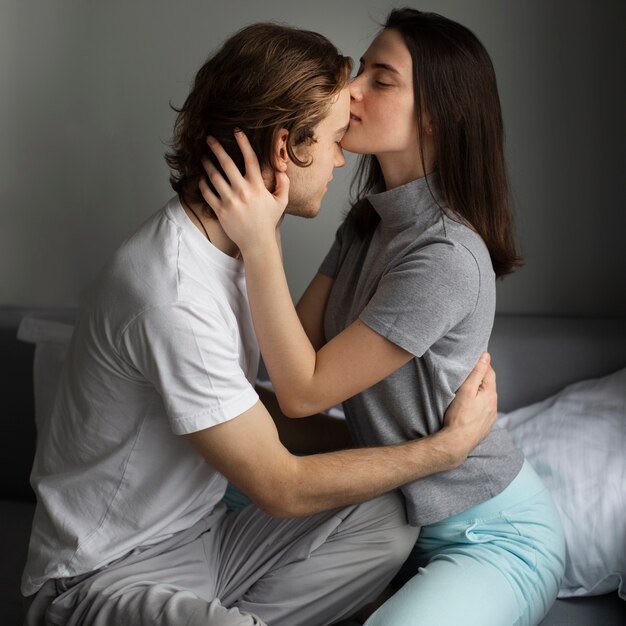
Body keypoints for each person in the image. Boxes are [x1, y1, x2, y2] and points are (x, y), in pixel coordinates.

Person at [21, 22, 499, 626]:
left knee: (387, 515)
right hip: (103, 574)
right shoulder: (172, 293)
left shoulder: (237, 246)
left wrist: (385, 458)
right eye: (330, 140)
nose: (341, 155)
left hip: (204, 539)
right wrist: (444, 450)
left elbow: (251, 412)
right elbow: (281, 485)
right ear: (282, 151)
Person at [200, 8, 566, 626]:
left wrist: (262, 241)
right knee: (216, 480)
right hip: (386, 515)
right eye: (360, 69)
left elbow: (302, 390)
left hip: (490, 536)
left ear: (437, 114)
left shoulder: (447, 255)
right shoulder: (367, 224)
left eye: (381, 78)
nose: (351, 90)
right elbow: (286, 357)